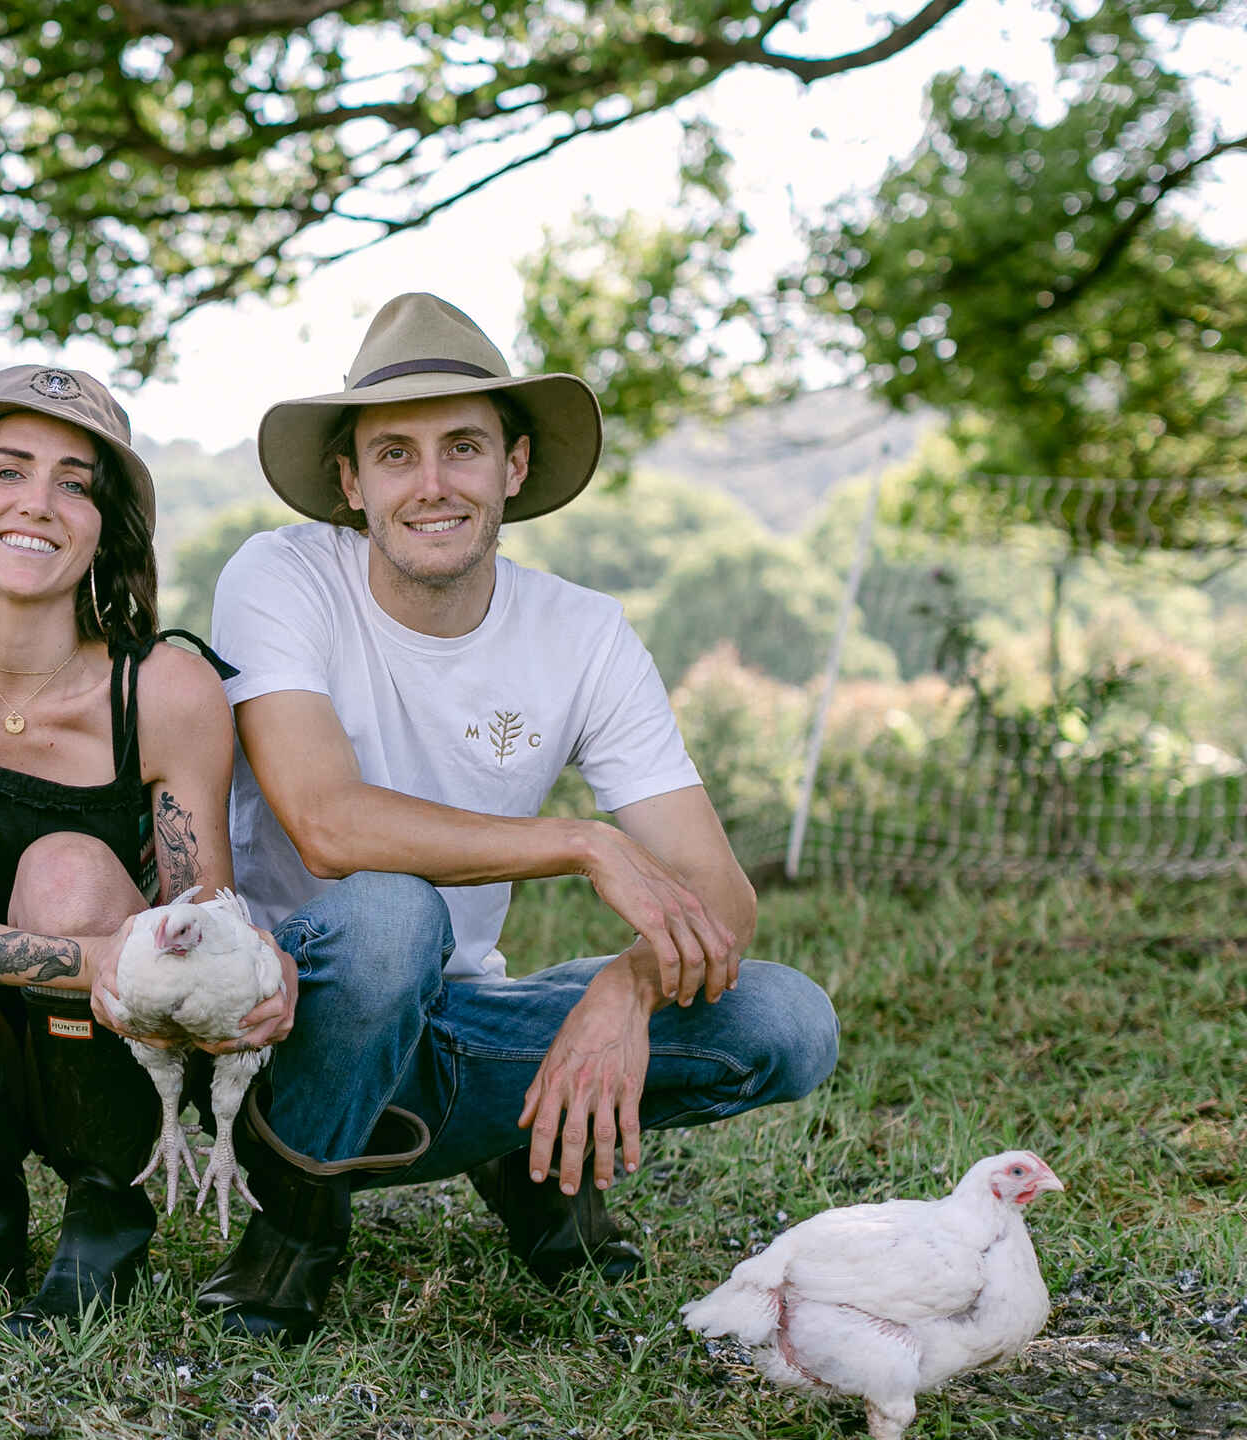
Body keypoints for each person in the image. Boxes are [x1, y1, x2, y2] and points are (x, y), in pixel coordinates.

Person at [197, 293, 841, 1342]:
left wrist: (626, 993)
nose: (432, 483)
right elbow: (326, 824)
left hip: (455, 1021)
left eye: (462, 446)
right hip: (280, 1019)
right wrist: (583, 842)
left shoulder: (581, 633)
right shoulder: (279, 576)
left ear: (514, 466)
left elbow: (716, 895)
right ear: (351, 485)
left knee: (783, 1022)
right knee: (392, 918)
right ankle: (292, 1229)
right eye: (394, 454)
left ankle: (522, 1141)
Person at [0, 364, 291, 1333]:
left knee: (67, 867)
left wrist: (249, 960)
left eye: (74, 481)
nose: (38, 502)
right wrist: (92, 958)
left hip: (112, 1044)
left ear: (104, 524)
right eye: (7, 471)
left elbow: (202, 917)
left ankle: (106, 1201)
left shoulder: (163, 687)